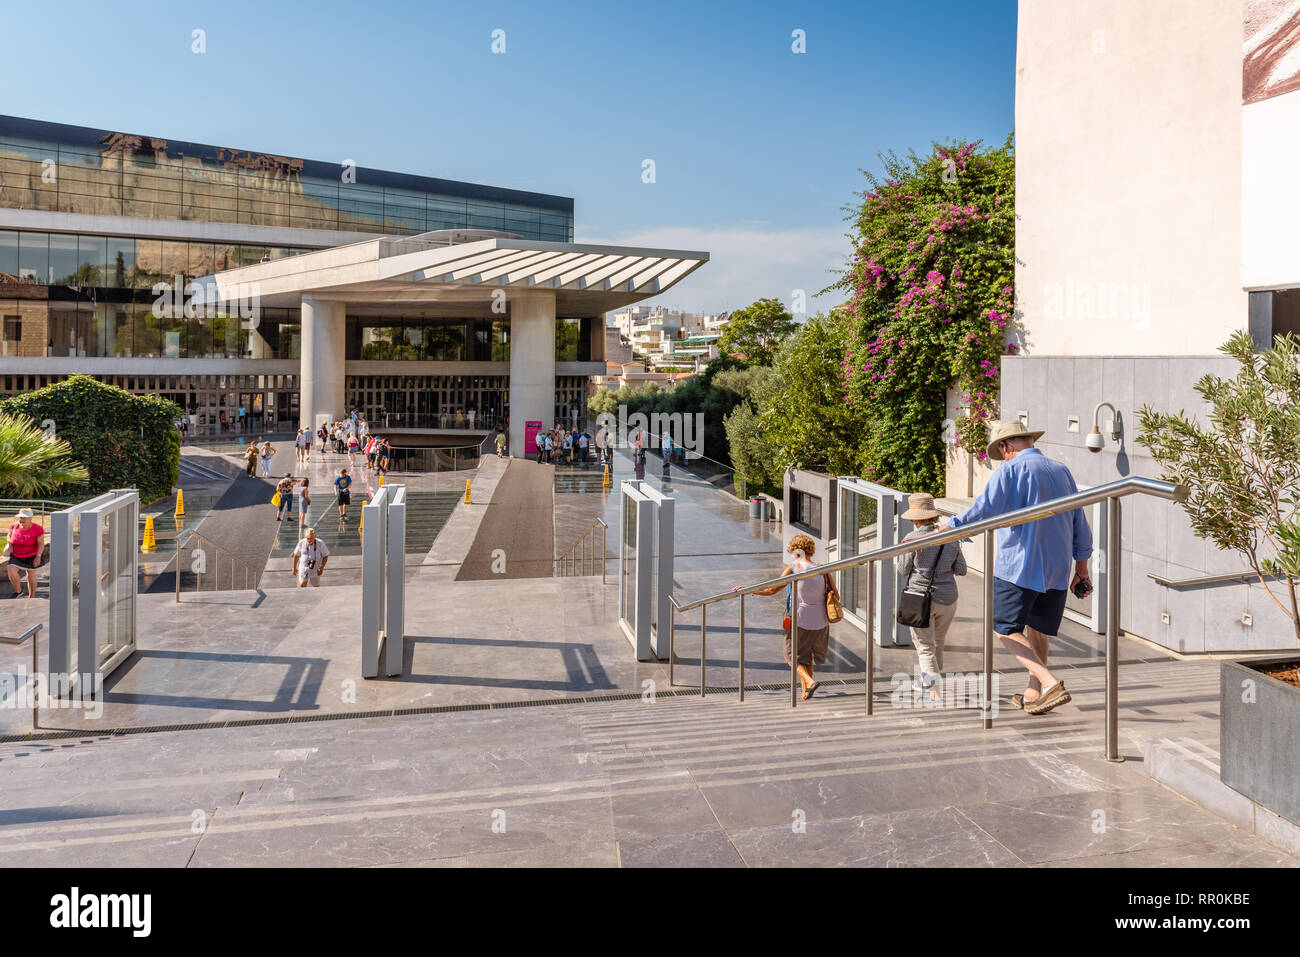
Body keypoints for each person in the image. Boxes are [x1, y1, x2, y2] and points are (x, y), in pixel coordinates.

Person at [937, 421, 1092, 716]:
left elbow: (985, 509)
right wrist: (1081, 569)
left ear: (1006, 447)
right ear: (1030, 440)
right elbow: (1079, 522)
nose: (1003, 457)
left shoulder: (1010, 470)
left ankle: (1049, 683)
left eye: (1002, 452)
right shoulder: (1062, 471)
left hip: (1020, 565)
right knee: (1037, 630)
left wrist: (951, 526)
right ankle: (1035, 693)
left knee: (1005, 629)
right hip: (1057, 568)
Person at [739, 534, 840, 700]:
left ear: (795, 551)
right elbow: (836, 594)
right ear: (811, 550)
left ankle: (810, 681)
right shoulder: (823, 569)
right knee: (806, 657)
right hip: (821, 620)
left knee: (790, 656)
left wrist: (748, 590)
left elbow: (771, 590)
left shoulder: (794, 567)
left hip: (799, 618)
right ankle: (805, 691)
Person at [899, 492, 967, 702]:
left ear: (915, 518)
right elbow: (962, 569)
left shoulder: (912, 538)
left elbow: (902, 569)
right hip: (948, 598)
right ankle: (926, 682)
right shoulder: (951, 537)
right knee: (938, 642)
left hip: (920, 599)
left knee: (925, 646)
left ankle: (934, 690)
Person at [6, 508, 44, 599]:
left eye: (24, 518)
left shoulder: (37, 529)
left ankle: (32, 597)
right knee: (11, 569)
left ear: (30, 518)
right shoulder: (14, 525)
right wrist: (10, 543)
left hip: (31, 556)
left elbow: (41, 544)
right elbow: (9, 535)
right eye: (20, 518)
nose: (21, 520)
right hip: (16, 555)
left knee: (30, 576)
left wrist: (38, 556)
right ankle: (18, 591)